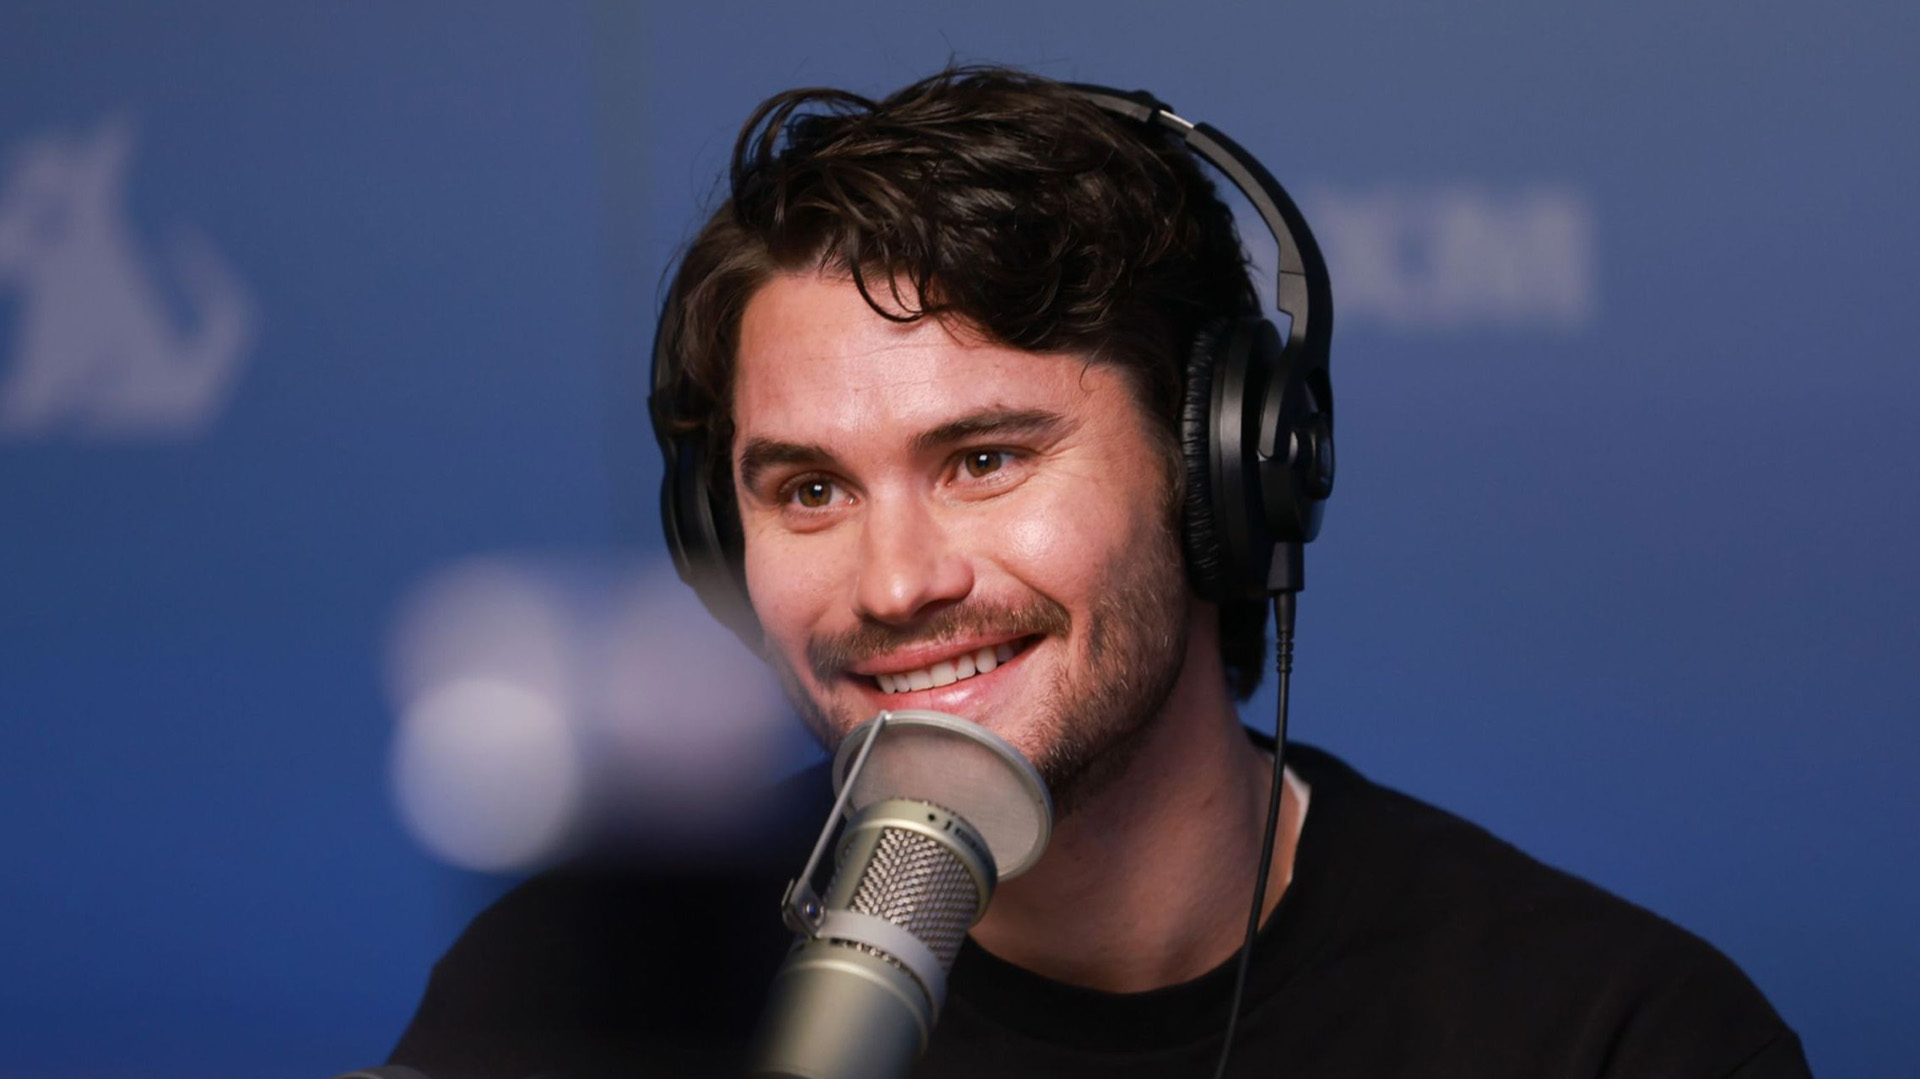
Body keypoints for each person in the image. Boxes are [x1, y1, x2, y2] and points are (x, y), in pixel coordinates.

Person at [386, 66, 1810, 1078]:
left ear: (1215, 476)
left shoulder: (1611, 1036)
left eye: (984, 459)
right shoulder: (576, 1001)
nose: (894, 584)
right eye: (810, 491)